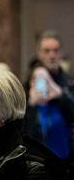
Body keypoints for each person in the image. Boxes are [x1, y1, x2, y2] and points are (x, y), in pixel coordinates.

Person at [25, 31, 74, 159]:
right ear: (39, 53)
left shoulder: (69, 83)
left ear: (61, 53)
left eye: (55, 50)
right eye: (46, 51)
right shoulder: (27, 85)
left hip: (65, 155)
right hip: (37, 156)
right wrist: (31, 104)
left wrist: (60, 95)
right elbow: (21, 124)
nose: (52, 55)